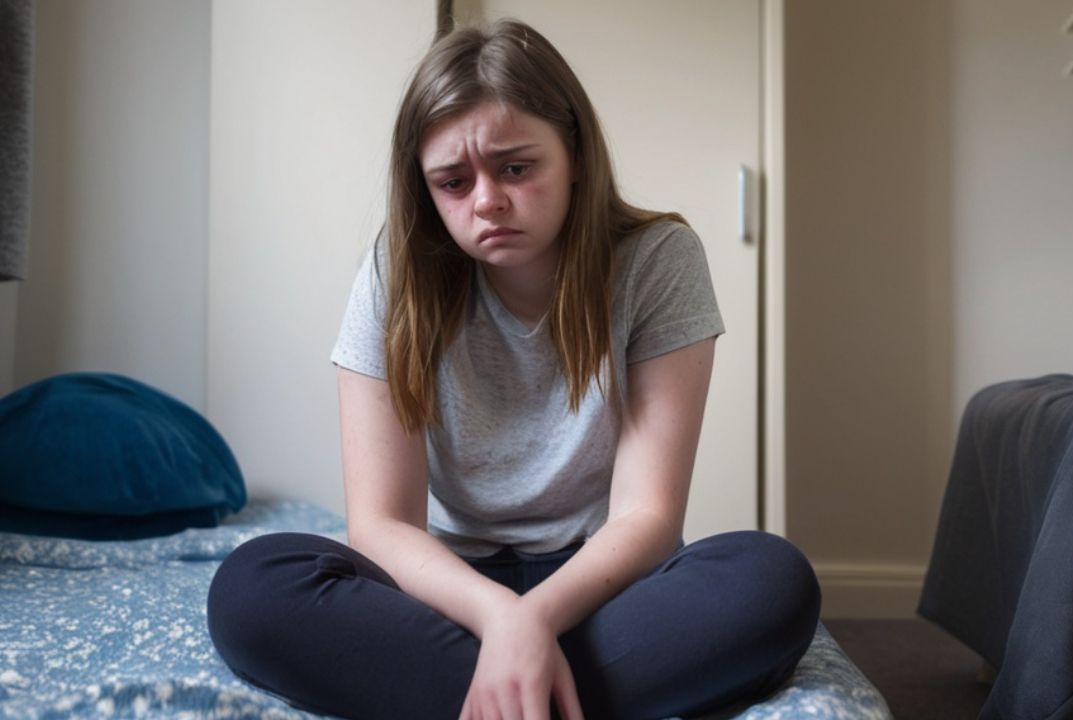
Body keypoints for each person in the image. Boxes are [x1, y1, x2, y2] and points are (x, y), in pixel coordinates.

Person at [207, 19, 819, 720]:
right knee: (252, 587)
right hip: (449, 592)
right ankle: (541, 692)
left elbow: (648, 515)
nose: (486, 201)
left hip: (603, 583)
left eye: (516, 168)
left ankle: (495, 692)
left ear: (577, 155)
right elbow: (381, 524)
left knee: (771, 581)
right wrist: (501, 619)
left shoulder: (660, 260)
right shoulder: (393, 275)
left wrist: (534, 621)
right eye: (452, 182)